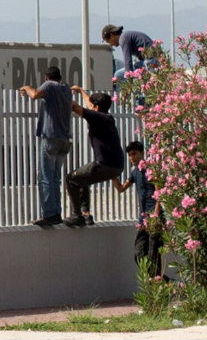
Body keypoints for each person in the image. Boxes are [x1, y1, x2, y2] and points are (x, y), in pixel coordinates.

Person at [18, 65, 74, 228]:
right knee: (55, 177)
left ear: (46, 78)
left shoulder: (49, 86)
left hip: (51, 137)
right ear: (60, 77)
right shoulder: (66, 89)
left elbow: (35, 95)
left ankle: (49, 214)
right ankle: (56, 212)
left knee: (45, 177)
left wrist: (26, 87)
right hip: (65, 138)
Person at [63, 86, 126, 228]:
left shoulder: (96, 117)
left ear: (96, 107)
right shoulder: (106, 117)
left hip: (104, 165)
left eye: (92, 106)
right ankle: (86, 214)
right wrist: (80, 90)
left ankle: (76, 215)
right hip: (117, 166)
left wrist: (62, 94)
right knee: (82, 179)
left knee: (70, 179)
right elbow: (89, 105)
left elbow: (76, 108)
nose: (90, 106)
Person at [114, 140, 164, 277]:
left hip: (154, 218)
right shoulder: (135, 172)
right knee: (139, 255)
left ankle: (158, 285)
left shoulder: (151, 170)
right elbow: (121, 188)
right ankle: (164, 281)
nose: (132, 157)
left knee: (154, 255)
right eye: (129, 155)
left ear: (142, 153)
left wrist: (155, 216)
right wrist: (111, 175)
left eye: (134, 154)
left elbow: (159, 194)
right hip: (143, 220)